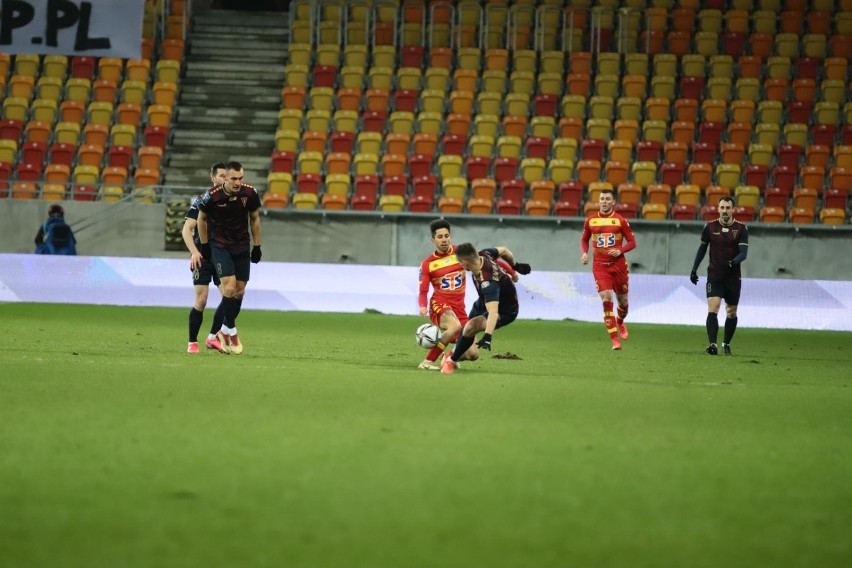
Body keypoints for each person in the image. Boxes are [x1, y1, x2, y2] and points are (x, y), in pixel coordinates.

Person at [417, 219, 521, 370]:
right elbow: (423, 290)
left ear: (450, 237)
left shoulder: (461, 254)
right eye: (440, 237)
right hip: (440, 304)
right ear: (433, 240)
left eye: (446, 236)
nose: (444, 240)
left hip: (460, 309)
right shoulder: (428, 264)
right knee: (455, 326)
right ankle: (427, 362)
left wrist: (512, 273)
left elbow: (488, 261)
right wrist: (422, 305)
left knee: (473, 354)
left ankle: (449, 356)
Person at [193, 161, 262, 355]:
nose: (238, 182)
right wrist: (205, 245)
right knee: (229, 288)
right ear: (225, 177)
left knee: (239, 292)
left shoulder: (249, 193)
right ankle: (230, 330)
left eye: (240, 178)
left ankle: (224, 330)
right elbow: (201, 218)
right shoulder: (212, 196)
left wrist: (257, 246)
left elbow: (255, 218)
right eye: (233, 178)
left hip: (241, 246)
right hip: (220, 246)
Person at [440, 243, 530, 375]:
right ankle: (454, 353)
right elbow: (504, 250)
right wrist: (515, 265)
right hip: (482, 303)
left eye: (459, 262)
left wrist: (487, 336)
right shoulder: (484, 254)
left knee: (471, 326)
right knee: (472, 354)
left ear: (465, 263)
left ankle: (451, 361)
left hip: (504, 311)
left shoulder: (488, 282)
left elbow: (493, 312)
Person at [690, 195, 749, 356]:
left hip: (733, 278)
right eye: (722, 208)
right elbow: (702, 249)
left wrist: (732, 262)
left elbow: (743, 254)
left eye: (727, 208)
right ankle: (713, 344)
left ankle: (726, 344)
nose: (724, 211)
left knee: (731, 312)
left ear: (733, 210)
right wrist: (694, 269)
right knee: (713, 308)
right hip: (715, 276)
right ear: (718, 209)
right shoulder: (709, 227)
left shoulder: (741, 229)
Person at [580, 188, 637, 351]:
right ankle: (614, 340)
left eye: (607, 199)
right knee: (606, 298)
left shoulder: (620, 220)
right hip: (600, 266)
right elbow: (584, 239)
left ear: (613, 202)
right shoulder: (591, 220)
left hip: (618, 266)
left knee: (623, 302)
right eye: (602, 199)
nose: (604, 201)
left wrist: (620, 251)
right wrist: (584, 253)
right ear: (599, 202)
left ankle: (620, 321)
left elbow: (632, 242)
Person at [181, 162, 229, 354]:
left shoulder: (232, 203)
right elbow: (187, 229)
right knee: (201, 300)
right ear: (214, 179)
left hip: (222, 255)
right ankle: (192, 342)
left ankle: (213, 337)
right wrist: (194, 252)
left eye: (228, 176)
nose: (225, 179)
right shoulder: (203, 200)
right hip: (203, 256)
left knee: (229, 296)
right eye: (222, 176)